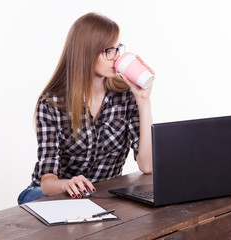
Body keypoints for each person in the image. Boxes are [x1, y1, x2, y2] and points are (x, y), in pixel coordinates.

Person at [17, 12, 154, 205]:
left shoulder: (125, 96)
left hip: (100, 195)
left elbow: (147, 166)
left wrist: (143, 99)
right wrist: (66, 184)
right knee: (34, 198)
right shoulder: (51, 103)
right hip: (56, 194)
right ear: (87, 53)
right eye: (109, 50)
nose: (116, 57)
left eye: (117, 49)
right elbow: (47, 182)